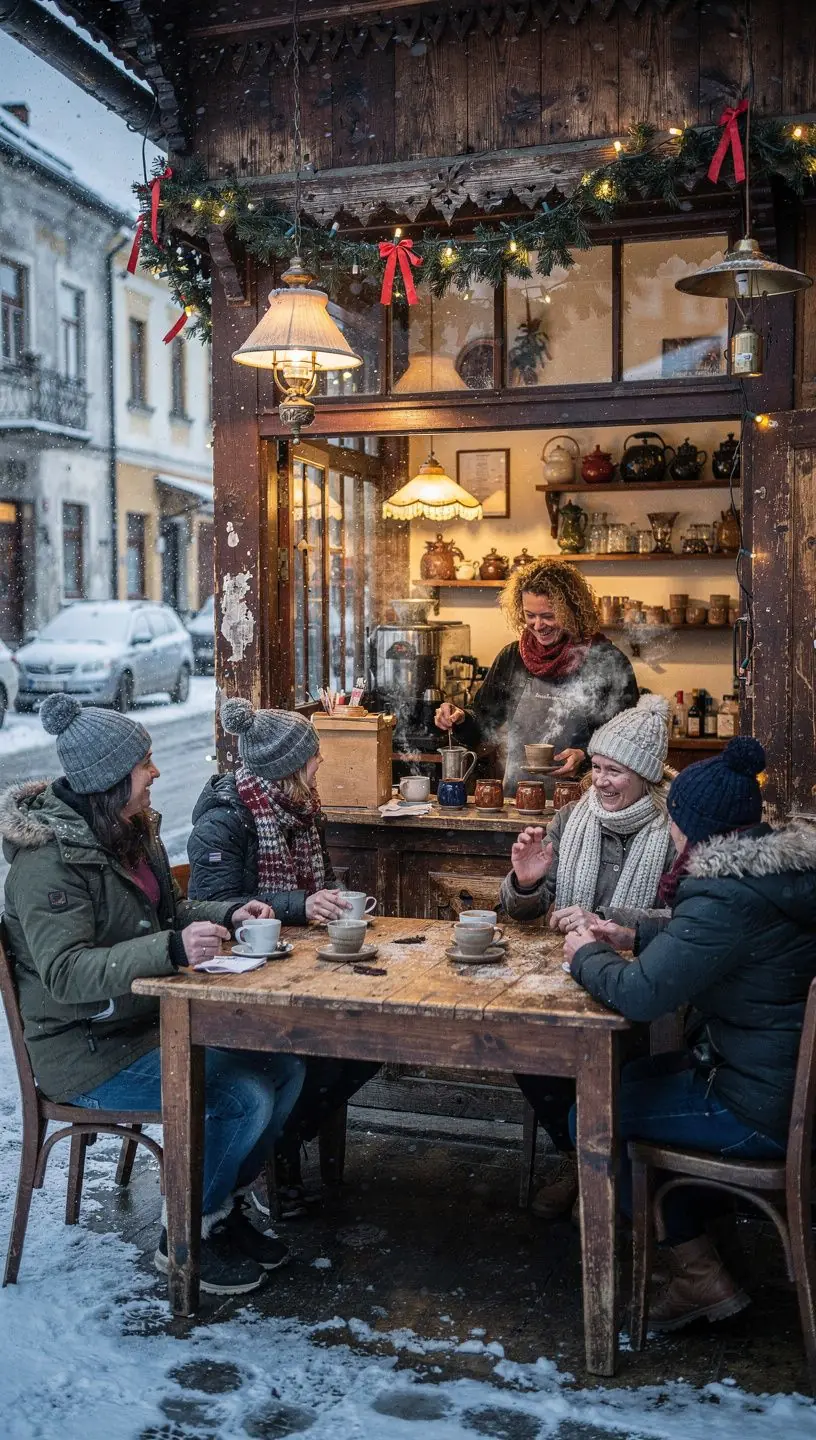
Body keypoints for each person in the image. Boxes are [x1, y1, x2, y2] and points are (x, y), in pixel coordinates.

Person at [1, 695, 305, 1297]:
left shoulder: (129, 834)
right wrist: (171, 948)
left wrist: (227, 912)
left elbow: (169, 914)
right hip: (87, 1051)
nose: (156, 773)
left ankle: (220, 1210)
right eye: (145, 763)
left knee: (287, 1065)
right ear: (109, 783)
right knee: (240, 1097)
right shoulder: (46, 865)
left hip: (148, 1024)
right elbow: (64, 974)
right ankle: (188, 1231)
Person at [564, 737, 816, 1329]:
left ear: (696, 830)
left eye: (676, 822)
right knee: (634, 1077)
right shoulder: (775, 874)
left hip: (755, 1106)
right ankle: (691, 1234)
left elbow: (640, 994)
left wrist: (582, 955)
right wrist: (634, 938)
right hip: (775, 1081)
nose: (672, 834)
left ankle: (695, 1274)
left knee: (593, 1112)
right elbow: (731, 947)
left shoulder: (723, 895)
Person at [187, 696, 379, 1216]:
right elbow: (211, 907)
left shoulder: (301, 809)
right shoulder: (227, 818)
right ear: (288, 767)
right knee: (315, 1050)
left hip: (300, 962)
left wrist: (330, 903)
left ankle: (282, 1144)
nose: (321, 763)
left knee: (367, 1038)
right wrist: (299, 904)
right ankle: (278, 1156)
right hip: (243, 979)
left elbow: (319, 881)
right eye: (313, 756)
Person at [504, 694, 676, 1220]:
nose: (600, 781)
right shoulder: (571, 819)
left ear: (646, 776)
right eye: (597, 768)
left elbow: (687, 923)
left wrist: (621, 929)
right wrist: (526, 884)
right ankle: (578, 1157)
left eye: (615, 772)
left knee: (625, 1057)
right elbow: (521, 913)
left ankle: (606, 1170)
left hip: (642, 985)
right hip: (567, 980)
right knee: (526, 1047)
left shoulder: (672, 833)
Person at [435, 558, 638, 794]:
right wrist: (460, 718)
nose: (538, 625)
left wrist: (585, 755)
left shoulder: (607, 662)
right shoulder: (513, 657)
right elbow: (482, 726)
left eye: (549, 616)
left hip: (587, 803)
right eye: (530, 615)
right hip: (519, 800)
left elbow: (630, 740)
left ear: (572, 611)